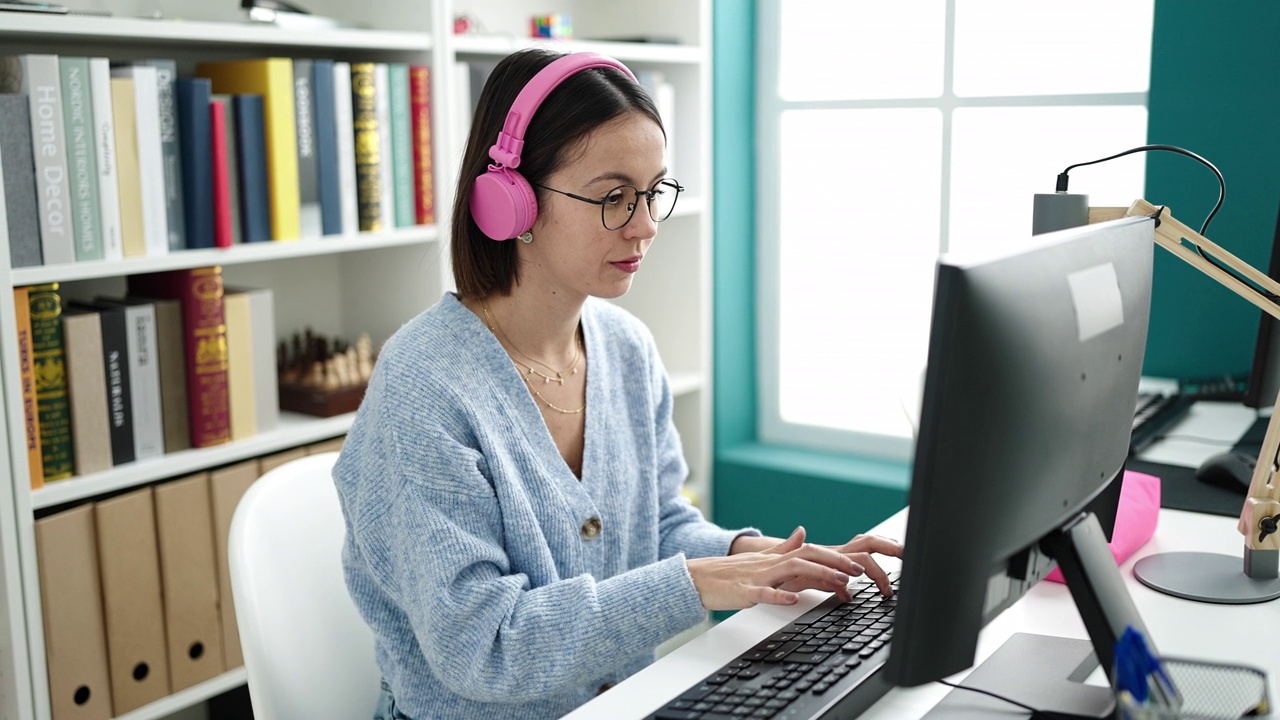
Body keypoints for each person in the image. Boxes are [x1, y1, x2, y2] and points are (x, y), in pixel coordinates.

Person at [333, 47, 903, 720]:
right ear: (508, 202)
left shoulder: (627, 348)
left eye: (654, 190)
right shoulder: (424, 387)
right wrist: (699, 584)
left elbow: (655, 527)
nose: (646, 225)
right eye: (612, 197)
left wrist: (761, 558)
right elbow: (482, 645)